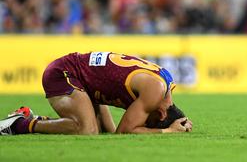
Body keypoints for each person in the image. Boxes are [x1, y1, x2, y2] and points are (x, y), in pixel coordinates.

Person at [0, 52, 192, 135]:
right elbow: (125, 132)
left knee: (101, 131)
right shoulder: (155, 91)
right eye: (149, 123)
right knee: (87, 131)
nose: (144, 124)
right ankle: (20, 125)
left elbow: (116, 131)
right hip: (65, 73)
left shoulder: (164, 84)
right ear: (161, 114)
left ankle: (32, 117)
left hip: (86, 82)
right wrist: (168, 130)